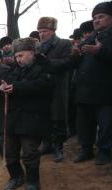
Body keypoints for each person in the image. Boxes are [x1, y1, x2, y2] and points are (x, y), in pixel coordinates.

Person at [0, 38, 54, 190]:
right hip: (13, 118)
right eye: (17, 56)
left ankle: (32, 182)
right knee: (9, 152)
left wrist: (17, 88)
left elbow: (44, 86)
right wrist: (2, 87)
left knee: (30, 151)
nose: (18, 59)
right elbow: (8, 83)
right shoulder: (15, 69)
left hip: (33, 118)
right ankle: (16, 176)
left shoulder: (44, 66)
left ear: (32, 53)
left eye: (21, 55)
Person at [71, 1, 112, 165]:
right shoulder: (92, 37)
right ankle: (86, 149)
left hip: (106, 90)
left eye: (101, 16)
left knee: (106, 124)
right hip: (84, 90)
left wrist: (100, 51)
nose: (96, 20)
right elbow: (74, 61)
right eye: (94, 17)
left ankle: (104, 151)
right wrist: (75, 55)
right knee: (84, 123)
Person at [37, 17, 73, 162]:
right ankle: (47, 145)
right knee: (44, 119)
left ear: (53, 31)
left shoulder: (64, 43)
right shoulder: (38, 47)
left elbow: (68, 62)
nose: (41, 34)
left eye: (44, 31)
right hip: (42, 88)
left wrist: (48, 62)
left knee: (58, 119)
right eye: (40, 31)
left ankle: (59, 148)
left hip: (58, 87)